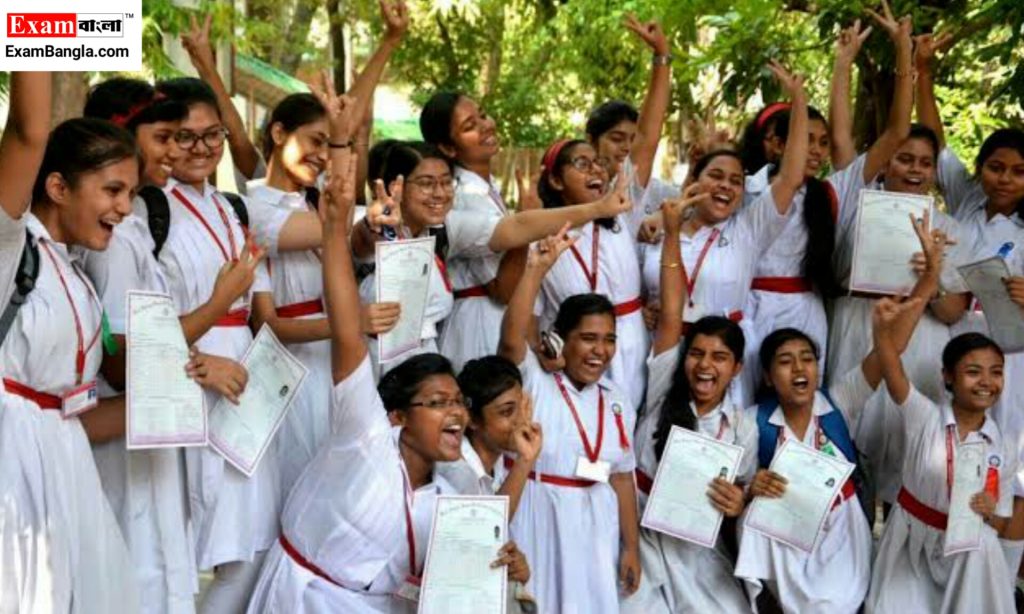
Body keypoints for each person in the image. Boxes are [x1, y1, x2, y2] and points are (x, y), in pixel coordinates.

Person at [247, 151, 526, 613]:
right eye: (437, 402)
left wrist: (509, 562)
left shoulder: (448, 492)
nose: (456, 413)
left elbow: (474, 555)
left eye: (458, 402)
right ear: (397, 416)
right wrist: (334, 230)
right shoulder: (365, 435)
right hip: (303, 599)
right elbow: (345, 331)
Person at [81, 76, 258, 614]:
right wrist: (218, 304)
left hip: (154, 422)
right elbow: (122, 360)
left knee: (164, 564)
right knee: (136, 569)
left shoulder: (135, 226)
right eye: (164, 138)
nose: (176, 152)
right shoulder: (115, 238)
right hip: (126, 427)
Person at [735, 213, 944, 613]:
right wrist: (751, 488)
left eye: (807, 359)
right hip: (786, 533)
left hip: (841, 532)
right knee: (753, 521)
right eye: (785, 362)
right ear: (767, 377)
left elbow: (891, 351)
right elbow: (735, 488)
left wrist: (929, 278)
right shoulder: (752, 421)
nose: (799, 369)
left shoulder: (839, 402)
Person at [0, 76, 143, 612]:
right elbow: (28, 131)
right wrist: (38, 37)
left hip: (69, 484)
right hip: (12, 481)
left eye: (131, 194)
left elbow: (70, 418)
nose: (125, 208)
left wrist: (170, 397)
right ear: (58, 187)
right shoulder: (11, 250)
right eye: (112, 190)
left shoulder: (79, 278)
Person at [154, 76, 291, 613]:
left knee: (249, 542)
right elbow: (138, 320)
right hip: (187, 377)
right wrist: (192, 361)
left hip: (242, 384)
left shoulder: (231, 208)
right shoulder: (149, 210)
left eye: (213, 135)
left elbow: (257, 309)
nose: (202, 148)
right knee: (187, 542)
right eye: (185, 136)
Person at [741, 5, 915, 396]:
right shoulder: (746, 189)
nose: (817, 150)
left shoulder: (831, 192)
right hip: (751, 310)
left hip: (807, 313)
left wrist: (903, 51)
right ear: (778, 144)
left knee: (804, 404)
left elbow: (897, 132)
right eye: (807, 140)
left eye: (821, 142)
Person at [350, 140, 636, 374]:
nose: (439, 193)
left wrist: (599, 209)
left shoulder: (445, 227)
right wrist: (375, 226)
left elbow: (516, 227)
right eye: (426, 183)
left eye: (446, 182)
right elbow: (363, 240)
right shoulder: (370, 224)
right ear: (395, 186)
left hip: (419, 370)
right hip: (368, 367)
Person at [916, 29, 1024, 578]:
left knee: (1009, 462)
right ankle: (949, 566)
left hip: (1014, 360)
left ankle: (1002, 572)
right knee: (954, 450)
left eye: (1018, 171)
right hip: (957, 340)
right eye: (995, 167)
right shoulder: (965, 200)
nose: (1004, 179)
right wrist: (923, 71)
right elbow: (936, 142)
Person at [640, 61, 809, 406]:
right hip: (663, 348)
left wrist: (799, 101)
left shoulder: (748, 229)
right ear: (695, 180)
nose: (726, 186)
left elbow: (791, 177)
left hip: (723, 359)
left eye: (735, 181)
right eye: (716, 176)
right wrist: (642, 309)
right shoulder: (660, 227)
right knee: (662, 429)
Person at [622, 192, 756, 613]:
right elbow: (671, 311)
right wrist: (673, 233)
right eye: (696, 354)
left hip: (696, 546)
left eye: (719, 358)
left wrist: (738, 503)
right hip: (639, 530)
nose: (705, 366)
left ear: (737, 368)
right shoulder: (665, 386)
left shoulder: (742, 426)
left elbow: (742, 492)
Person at [497, 223, 640, 613]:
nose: (600, 350)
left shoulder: (617, 401)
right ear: (560, 338)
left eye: (609, 339)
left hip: (595, 529)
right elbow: (511, 339)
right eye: (588, 338)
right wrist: (536, 269)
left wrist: (631, 547)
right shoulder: (535, 381)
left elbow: (622, 477)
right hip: (538, 517)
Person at [867, 329, 1017, 611]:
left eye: (996, 372)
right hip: (909, 541)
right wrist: (883, 328)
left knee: (984, 545)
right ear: (948, 376)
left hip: (964, 554)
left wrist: (989, 511)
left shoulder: (1004, 445)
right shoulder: (924, 416)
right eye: (973, 372)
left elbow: (1000, 521)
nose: (986, 382)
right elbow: (891, 368)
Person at [531, 137, 649, 408]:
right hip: (572, 352)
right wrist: (541, 352)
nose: (596, 169)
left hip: (628, 344)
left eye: (598, 163)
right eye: (583, 164)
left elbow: (647, 140)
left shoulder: (622, 214)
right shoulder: (540, 238)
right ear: (556, 181)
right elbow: (531, 316)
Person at [437, 355, 542, 612]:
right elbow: (487, 528)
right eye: (506, 412)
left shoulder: (497, 463)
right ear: (472, 420)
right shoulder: (455, 470)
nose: (520, 421)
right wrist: (525, 461)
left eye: (521, 407)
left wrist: (516, 566)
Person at [584, 14, 676, 217]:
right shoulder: (571, 192)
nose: (627, 147)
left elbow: (647, 136)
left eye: (632, 140)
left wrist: (662, 55)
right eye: (617, 139)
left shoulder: (627, 191)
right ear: (590, 141)